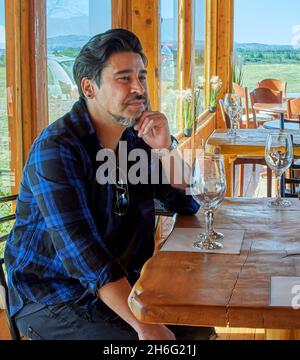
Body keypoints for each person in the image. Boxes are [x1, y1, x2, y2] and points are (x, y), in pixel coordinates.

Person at [5, 29, 216, 340]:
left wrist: (163, 149)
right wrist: (145, 325)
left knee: (199, 326)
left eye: (141, 77)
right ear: (89, 87)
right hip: (53, 295)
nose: (138, 88)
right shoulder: (57, 149)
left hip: (121, 281)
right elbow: (84, 255)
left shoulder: (134, 141)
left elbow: (185, 202)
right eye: (123, 78)